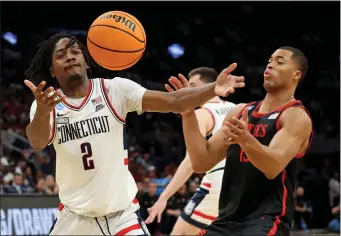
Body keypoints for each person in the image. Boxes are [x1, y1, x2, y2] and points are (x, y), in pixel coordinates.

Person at [24, 33, 245, 235]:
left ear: (85, 60)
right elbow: (37, 141)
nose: (70, 57)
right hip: (75, 217)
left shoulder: (115, 90)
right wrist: (43, 113)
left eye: (75, 51)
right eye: (61, 55)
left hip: (122, 215)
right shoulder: (47, 104)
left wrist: (212, 88)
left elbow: (173, 101)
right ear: (52, 70)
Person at [176, 46, 313, 235]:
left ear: (296, 75)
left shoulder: (295, 116)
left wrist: (245, 139)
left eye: (280, 62)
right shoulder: (240, 111)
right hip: (226, 218)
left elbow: (272, 167)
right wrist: (188, 113)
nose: (271, 64)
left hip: (266, 220)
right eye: (270, 61)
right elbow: (201, 162)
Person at [146, 67, 236, 235]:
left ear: (208, 87)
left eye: (193, 85)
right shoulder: (236, 108)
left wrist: (163, 198)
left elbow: (190, 163)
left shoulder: (202, 113)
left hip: (217, 182)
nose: (188, 90)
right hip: (242, 182)